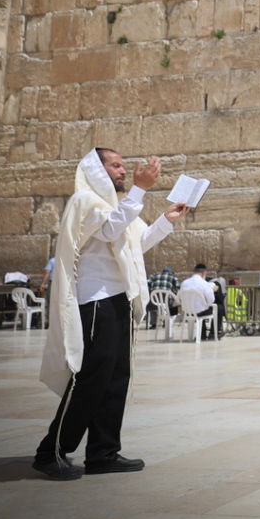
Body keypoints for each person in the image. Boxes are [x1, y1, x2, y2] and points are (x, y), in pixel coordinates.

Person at [33, 148, 186, 481]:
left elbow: (135, 244)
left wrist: (166, 220)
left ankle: (103, 453)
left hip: (118, 299)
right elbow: (107, 231)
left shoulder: (118, 207)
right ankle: (51, 452)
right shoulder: (86, 202)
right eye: (115, 165)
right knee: (90, 379)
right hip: (95, 302)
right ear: (97, 170)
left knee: (117, 379)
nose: (123, 170)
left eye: (122, 166)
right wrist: (140, 188)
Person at [178, 263, 219, 339]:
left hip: (187, 312)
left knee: (201, 306)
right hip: (200, 312)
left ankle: (202, 334)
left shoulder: (184, 283)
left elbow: (180, 297)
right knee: (219, 308)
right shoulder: (204, 283)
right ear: (204, 273)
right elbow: (211, 300)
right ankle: (214, 334)